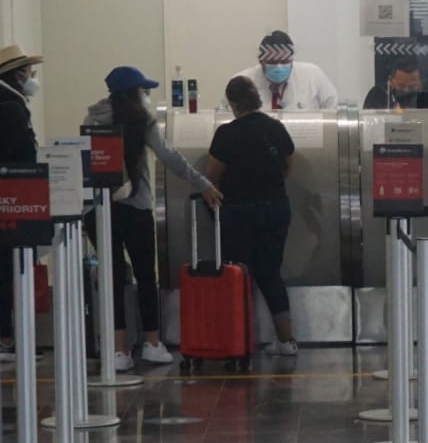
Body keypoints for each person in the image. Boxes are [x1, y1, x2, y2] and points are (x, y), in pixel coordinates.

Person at [86, 66, 223, 371]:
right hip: (136, 207)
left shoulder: (93, 119)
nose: (146, 96)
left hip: (101, 210)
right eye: (144, 91)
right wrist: (203, 184)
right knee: (146, 276)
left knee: (113, 276)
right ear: (135, 93)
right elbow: (170, 157)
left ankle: (119, 350)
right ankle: (151, 343)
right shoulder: (142, 121)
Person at [207, 76, 299, 356]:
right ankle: (285, 341)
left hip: (238, 212)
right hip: (275, 208)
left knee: (238, 275)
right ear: (256, 99)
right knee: (271, 273)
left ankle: (239, 340)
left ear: (233, 103)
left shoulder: (226, 134)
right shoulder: (276, 128)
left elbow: (212, 178)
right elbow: (288, 167)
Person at [0, 44, 43, 363]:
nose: (32, 77)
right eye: (28, 72)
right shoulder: (9, 104)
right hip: (11, 196)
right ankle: (6, 338)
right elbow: (23, 152)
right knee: (8, 268)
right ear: (17, 74)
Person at [228, 30, 338, 111]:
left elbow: (334, 111)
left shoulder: (313, 75)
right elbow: (224, 118)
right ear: (261, 61)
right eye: (273, 62)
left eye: (284, 61)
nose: (279, 67)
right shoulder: (242, 83)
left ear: (292, 59)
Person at [362, 60, 428, 110]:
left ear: (421, 84)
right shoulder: (377, 95)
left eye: (412, 87)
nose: (406, 90)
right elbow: (368, 123)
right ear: (391, 81)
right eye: (401, 86)